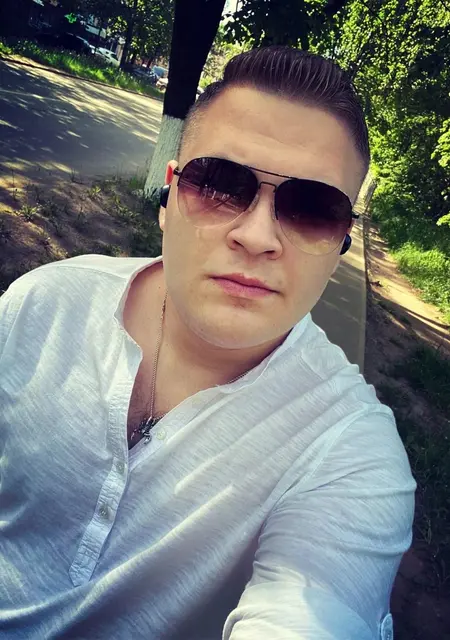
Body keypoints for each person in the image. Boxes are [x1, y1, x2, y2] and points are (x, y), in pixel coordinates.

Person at [0, 46, 415, 639]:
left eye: (313, 209)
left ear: (342, 243)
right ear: (168, 197)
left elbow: (311, 612)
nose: (257, 235)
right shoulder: (45, 304)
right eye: (219, 184)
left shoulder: (348, 453)